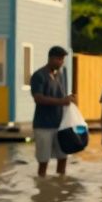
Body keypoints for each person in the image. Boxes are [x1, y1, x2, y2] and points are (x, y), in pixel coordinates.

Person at [30, 45, 76, 176]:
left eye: (62, 59)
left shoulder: (60, 76)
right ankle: (42, 186)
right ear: (51, 58)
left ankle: (60, 186)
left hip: (60, 125)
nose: (61, 62)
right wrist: (61, 101)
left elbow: (62, 97)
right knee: (43, 161)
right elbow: (38, 98)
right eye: (58, 59)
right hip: (43, 125)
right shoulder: (39, 76)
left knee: (63, 157)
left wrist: (70, 100)